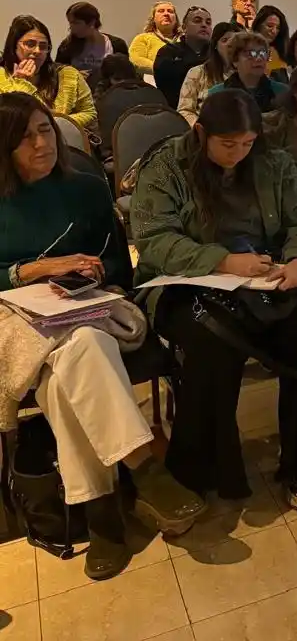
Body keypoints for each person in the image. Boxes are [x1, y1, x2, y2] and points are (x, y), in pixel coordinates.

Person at [0, 93, 205, 579]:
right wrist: (29, 270)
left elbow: (118, 261)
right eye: (25, 137)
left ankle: (105, 521)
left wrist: (96, 275)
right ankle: (143, 465)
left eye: (45, 130)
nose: (41, 143)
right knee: (77, 359)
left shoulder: (87, 189)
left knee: (70, 366)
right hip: (15, 319)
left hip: (83, 310)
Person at [132, 90, 297, 508]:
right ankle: (208, 470)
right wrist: (222, 261)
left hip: (263, 278)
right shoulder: (168, 165)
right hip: (185, 283)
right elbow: (154, 239)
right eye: (228, 144)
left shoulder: (274, 162)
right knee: (212, 340)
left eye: (247, 144)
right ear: (201, 131)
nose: (238, 154)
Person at [0, 16, 96, 133]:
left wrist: (57, 123)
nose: (37, 51)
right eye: (30, 44)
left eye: (43, 46)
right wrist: (23, 85)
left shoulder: (67, 74)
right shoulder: (2, 76)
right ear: (14, 46)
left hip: (62, 144)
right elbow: (13, 122)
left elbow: (89, 113)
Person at [93, 54, 166, 156]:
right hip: (126, 151)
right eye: (118, 79)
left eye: (126, 78)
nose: (124, 82)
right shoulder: (102, 98)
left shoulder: (147, 92)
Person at [207, 31, 288, 114]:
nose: (259, 59)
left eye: (262, 53)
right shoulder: (216, 94)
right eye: (250, 54)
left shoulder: (282, 92)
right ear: (235, 60)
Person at [178, 21, 237, 125]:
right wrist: (203, 129)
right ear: (215, 45)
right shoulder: (197, 73)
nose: (230, 45)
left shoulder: (247, 74)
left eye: (234, 42)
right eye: (225, 40)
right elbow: (185, 111)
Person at [154, 7, 213, 109]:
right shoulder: (168, 52)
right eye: (197, 21)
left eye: (208, 23)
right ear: (184, 27)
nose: (204, 25)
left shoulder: (216, 53)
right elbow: (166, 83)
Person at [56, 3, 128, 80]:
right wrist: (74, 75)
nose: (71, 28)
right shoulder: (67, 45)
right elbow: (57, 71)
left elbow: (125, 75)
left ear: (92, 23)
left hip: (106, 90)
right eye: (70, 23)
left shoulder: (117, 45)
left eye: (76, 23)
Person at [128, 2, 180, 75]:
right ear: (153, 18)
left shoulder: (185, 39)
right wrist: (164, 69)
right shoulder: (143, 38)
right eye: (161, 11)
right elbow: (135, 60)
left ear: (176, 19)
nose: (166, 14)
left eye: (170, 11)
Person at [252, 5, 291, 82]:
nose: (274, 31)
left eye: (278, 28)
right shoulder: (246, 51)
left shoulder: (284, 52)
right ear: (258, 25)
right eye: (270, 26)